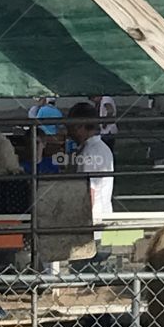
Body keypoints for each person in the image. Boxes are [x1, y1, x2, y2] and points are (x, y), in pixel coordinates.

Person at [66, 103, 114, 251]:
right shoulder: (102, 148)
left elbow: (89, 191)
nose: (68, 132)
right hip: (102, 220)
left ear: (80, 126)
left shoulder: (89, 153)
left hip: (91, 226)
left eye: (71, 127)